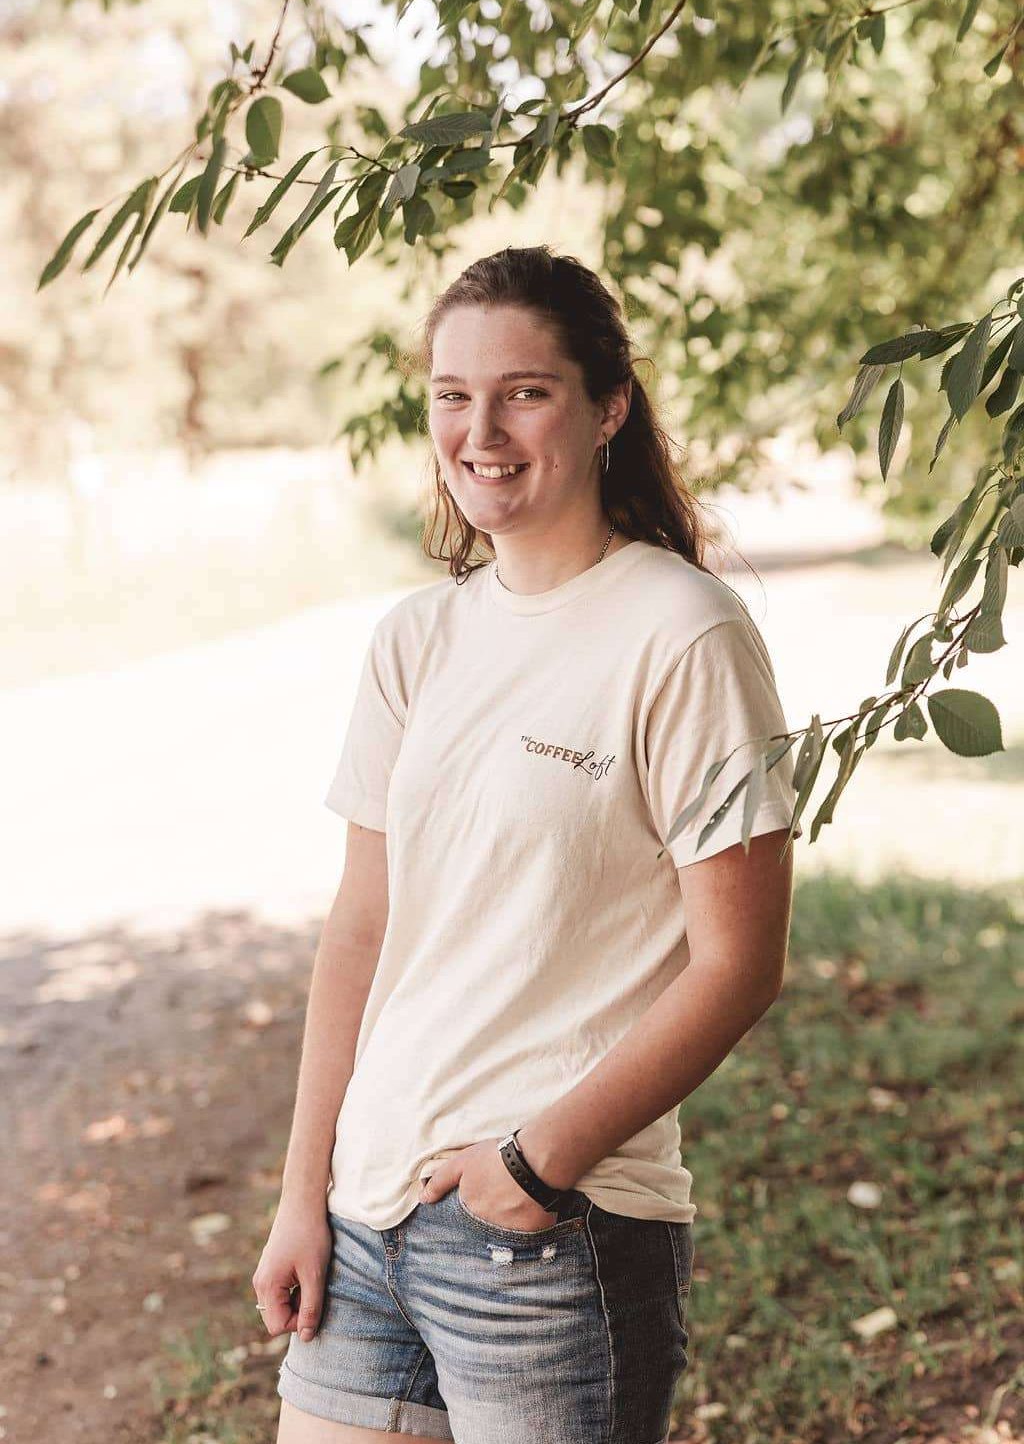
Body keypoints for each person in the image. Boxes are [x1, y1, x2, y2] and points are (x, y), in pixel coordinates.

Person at [256, 245, 802, 1444]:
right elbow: (361, 928)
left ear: (607, 406)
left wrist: (538, 1161)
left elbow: (739, 965)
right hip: (364, 1224)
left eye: (524, 391)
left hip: (552, 1234)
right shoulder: (417, 639)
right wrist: (305, 1195)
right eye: (452, 395)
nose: (479, 430)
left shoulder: (683, 633)